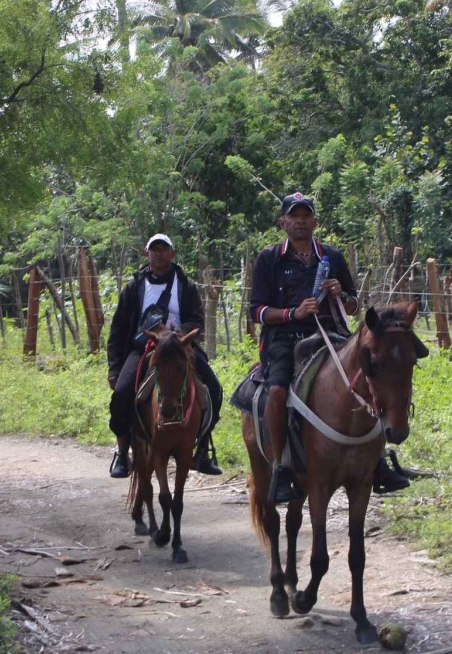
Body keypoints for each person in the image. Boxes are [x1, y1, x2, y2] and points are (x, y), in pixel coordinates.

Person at [248, 193, 409, 503]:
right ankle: (281, 467)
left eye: (306, 215)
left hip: (331, 334)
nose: (300, 221)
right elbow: (257, 311)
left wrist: (340, 295)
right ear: (283, 223)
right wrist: (293, 313)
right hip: (284, 338)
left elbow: (353, 305)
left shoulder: (331, 256)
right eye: (294, 216)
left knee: (371, 377)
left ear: (314, 221)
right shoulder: (269, 258)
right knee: (277, 390)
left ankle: (379, 463)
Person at [106, 234, 223, 479]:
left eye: (163, 249)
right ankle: (122, 451)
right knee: (122, 393)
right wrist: (114, 368)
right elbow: (118, 328)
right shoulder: (134, 286)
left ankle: (203, 448)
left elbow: (197, 319)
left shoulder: (186, 285)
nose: (158, 254)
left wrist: (177, 333)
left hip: (180, 347)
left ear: (173, 253)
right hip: (144, 347)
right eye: (154, 249)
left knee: (213, 388)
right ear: (147, 253)